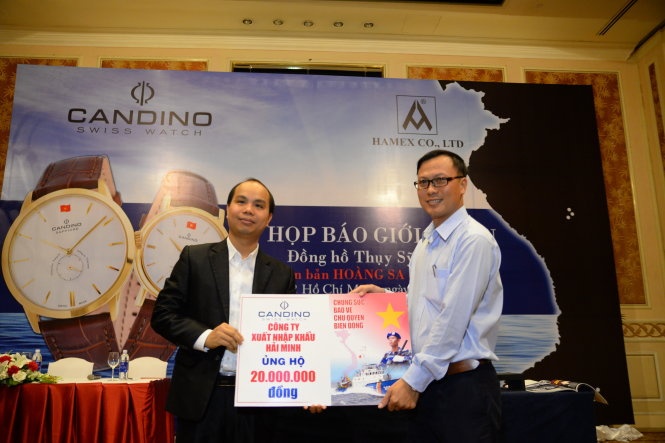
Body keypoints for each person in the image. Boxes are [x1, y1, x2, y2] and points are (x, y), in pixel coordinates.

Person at [352, 149, 503, 443]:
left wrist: (413, 382)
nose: (431, 190)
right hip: (431, 386)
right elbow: (424, 303)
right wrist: (384, 297)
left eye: (440, 180)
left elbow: (452, 320)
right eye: (423, 182)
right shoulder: (426, 241)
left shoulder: (473, 240)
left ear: (463, 184)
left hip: (462, 390)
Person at [151, 178, 296, 443]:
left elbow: (289, 337)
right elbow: (163, 315)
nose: (248, 210)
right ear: (228, 209)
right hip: (201, 399)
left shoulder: (281, 274)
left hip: (259, 403)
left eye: (258, 205)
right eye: (241, 202)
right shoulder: (194, 258)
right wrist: (206, 336)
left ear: (268, 218)